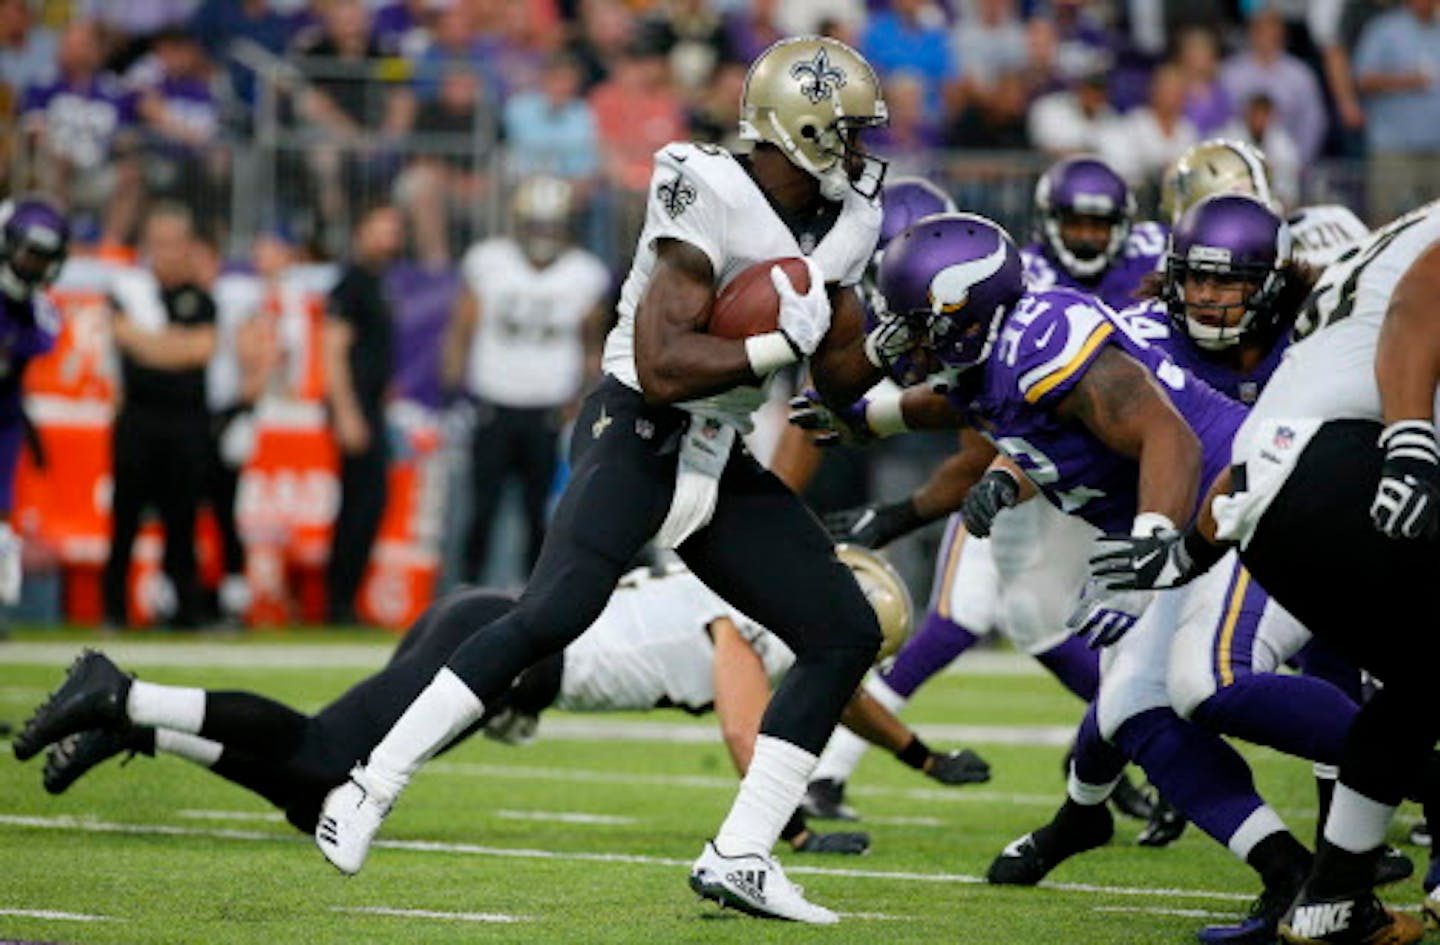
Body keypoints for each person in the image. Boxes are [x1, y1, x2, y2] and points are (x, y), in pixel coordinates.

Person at [311, 35, 893, 925]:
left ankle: (742, 852)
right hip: (638, 425)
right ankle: (368, 785)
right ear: (801, 130)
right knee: (551, 613)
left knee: (843, 628)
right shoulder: (706, 183)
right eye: (845, 132)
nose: (858, 153)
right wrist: (784, 340)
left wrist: (888, 342)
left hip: (717, 453)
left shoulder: (845, 219)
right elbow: (662, 363)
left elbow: (843, 379)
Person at [804, 208, 1355, 945]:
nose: (906, 337)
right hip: (1197, 527)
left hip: (1245, 510)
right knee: (1131, 710)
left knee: (1211, 683)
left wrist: (1152, 548)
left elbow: (1168, 435)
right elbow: (957, 399)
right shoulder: (992, 350)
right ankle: (1288, 873)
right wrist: (870, 420)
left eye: (916, 322)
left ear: (964, 314)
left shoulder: (1041, 342)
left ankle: (1413, 777)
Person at [13, 545, 989, 861]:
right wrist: (795, 836)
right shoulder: (746, 622)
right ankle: (126, 691)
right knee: (319, 752)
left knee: (316, 800)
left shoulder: (761, 594)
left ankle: (137, 726)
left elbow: (847, 702)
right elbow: (747, 729)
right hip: (497, 649)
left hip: (494, 635)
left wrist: (923, 759)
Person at [1087, 199, 1440, 944]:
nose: (1212, 298)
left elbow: (1260, 447)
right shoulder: (1144, 333)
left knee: (1417, 681)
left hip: (1262, 510)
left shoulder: (1363, 263)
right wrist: (1411, 436)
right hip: (1348, 470)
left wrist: (1187, 551)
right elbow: (1419, 307)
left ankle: (1331, 901)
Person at [807, 157, 1167, 829]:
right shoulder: (997, 311)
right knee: (1015, 616)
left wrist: (900, 510)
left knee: (1063, 622)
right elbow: (967, 404)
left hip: (1118, 470)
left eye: (1099, 222)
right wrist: (868, 416)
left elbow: (993, 428)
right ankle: (1127, 743)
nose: (1087, 236)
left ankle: (1135, 741)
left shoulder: (1024, 318)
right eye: (1075, 220)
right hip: (1060, 470)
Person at [442, 176, 611, 583]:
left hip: (549, 406)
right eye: (536, 223)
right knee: (482, 504)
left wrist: (584, 396)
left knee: (541, 509)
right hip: (492, 399)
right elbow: (461, 327)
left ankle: (534, 593)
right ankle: (466, 586)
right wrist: (452, 388)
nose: (543, 233)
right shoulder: (489, 261)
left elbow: (593, 345)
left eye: (551, 223)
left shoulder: (584, 273)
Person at [102, 203, 217, 630]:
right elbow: (128, 338)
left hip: (185, 423)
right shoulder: (129, 290)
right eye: (159, 244)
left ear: (188, 248)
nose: (167, 253)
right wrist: (172, 346)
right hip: (138, 419)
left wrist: (149, 344)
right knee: (125, 519)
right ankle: (114, 611)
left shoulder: (200, 298)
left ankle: (185, 612)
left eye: (175, 244)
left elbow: (199, 350)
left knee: (182, 521)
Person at [323, 205, 403, 625]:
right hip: (355, 408)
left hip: (370, 405)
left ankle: (345, 599)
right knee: (359, 505)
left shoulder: (378, 284)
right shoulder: (351, 284)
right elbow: (334, 352)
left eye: (393, 231)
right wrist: (347, 412)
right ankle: (338, 602)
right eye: (380, 230)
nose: (388, 240)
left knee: (369, 505)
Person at [0, 197, 67, 613]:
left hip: (4, 412)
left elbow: (42, 337)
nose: (34, 265)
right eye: (30, 254)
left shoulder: (34, 307)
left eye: (43, 258)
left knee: (2, 513)